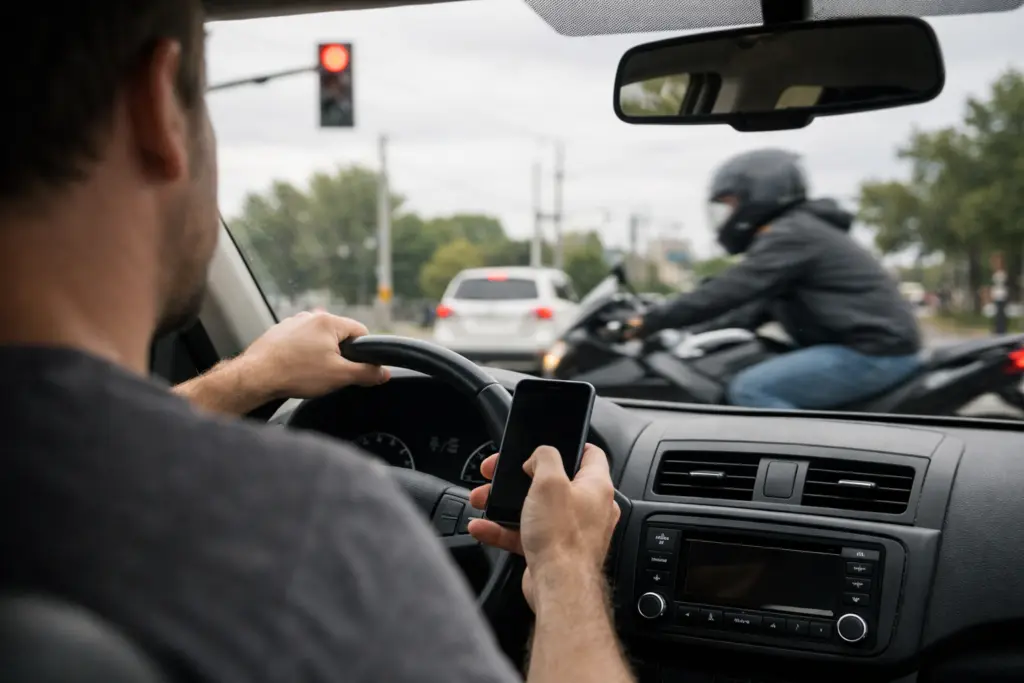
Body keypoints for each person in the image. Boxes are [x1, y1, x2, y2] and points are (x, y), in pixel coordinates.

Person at [0, 4, 632, 683]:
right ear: (158, 103)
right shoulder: (315, 530)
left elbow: (83, 440)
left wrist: (248, 378)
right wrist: (566, 568)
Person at [627, 148, 921, 410]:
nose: (726, 215)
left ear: (759, 194)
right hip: (869, 348)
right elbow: (748, 311)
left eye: (730, 204)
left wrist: (651, 320)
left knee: (750, 388)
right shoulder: (799, 233)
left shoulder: (792, 234)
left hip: (874, 353)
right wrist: (686, 334)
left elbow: (730, 290)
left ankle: (808, 468)